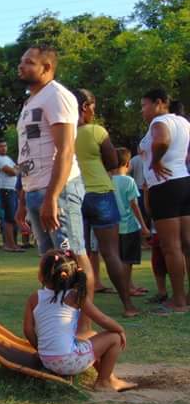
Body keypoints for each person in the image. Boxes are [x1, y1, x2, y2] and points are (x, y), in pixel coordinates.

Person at [14, 45, 94, 335]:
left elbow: (66, 150)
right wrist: (23, 200)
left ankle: (84, 326)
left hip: (58, 191)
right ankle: (60, 326)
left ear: (47, 68)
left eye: (29, 62)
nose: (21, 66)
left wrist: (52, 197)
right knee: (51, 263)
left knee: (73, 256)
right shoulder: (30, 102)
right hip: (35, 191)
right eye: (21, 61)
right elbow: (27, 154)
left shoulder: (57, 95)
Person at [23, 249, 136, 392]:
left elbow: (28, 330)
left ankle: (110, 378)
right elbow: (102, 319)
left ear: (41, 275)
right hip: (69, 361)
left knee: (90, 335)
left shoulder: (34, 297)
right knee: (114, 338)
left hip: (47, 360)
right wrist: (120, 330)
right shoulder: (75, 297)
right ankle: (103, 382)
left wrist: (41, 349)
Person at [74, 89, 138, 317]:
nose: (94, 111)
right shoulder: (96, 131)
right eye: (93, 107)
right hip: (100, 193)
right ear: (85, 107)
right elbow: (112, 161)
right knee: (110, 253)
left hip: (74, 196)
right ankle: (128, 306)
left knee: (78, 254)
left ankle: (82, 309)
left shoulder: (61, 133)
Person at [137, 88, 190, 314]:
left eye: (144, 105)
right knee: (187, 244)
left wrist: (156, 161)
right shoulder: (183, 122)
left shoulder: (159, 121)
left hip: (164, 186)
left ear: (159, 103)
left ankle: (178, 301)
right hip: (183, 181)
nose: (142, 110)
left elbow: (162, 141)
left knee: (171, 247)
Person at [111, 148, 150, 300]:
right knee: (128, 261)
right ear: (127, 164)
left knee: (120, 258)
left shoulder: (108, 180)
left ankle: (129, 285)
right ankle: (126, 288)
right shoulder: (128, 181)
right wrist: (144, 226)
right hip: (129, 225)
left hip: (114, 227)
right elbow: (134, 205)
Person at [0, 139, 23, 252]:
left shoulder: (8, 158)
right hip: (6, 189)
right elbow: (13, 172)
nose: (4, 148)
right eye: (1, 146)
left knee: (13, 217)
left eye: (5, 146)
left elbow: (18, 169)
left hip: (13, 190)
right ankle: (10, 244)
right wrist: (16, 169)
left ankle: (13, 243)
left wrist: (17, 169)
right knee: (9, 218)